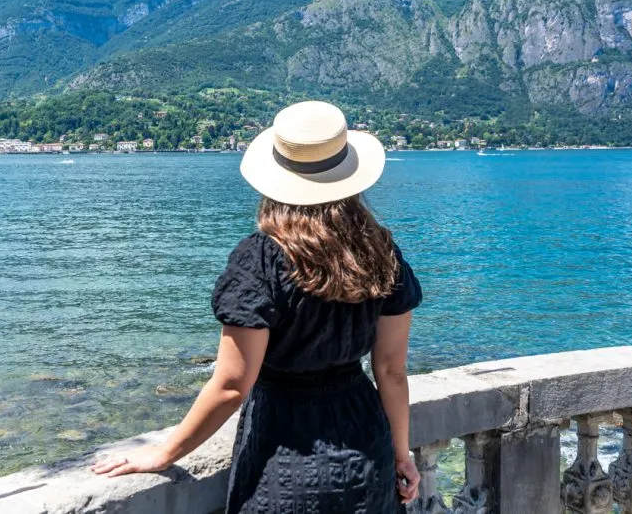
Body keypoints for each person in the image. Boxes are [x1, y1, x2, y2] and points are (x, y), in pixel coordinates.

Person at [91, 100, 423, 513]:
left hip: (284, 453)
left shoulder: (261, 260)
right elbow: (391, 370)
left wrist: (164, 453)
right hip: (364, 445)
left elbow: (231, 385)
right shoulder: (379, 252)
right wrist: (400, 452)